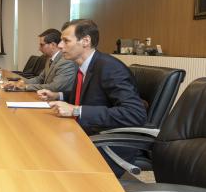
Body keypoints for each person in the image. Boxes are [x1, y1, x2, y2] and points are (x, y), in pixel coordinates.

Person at [37, 19, 147, 175]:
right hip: (84, 133)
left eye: (66, 41)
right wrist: (58, 95)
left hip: (105, 143)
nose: (60, 45)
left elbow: (135, 113)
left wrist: (77, 110)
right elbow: (88, 97)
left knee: (43, 157)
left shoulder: (110, 68)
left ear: (85, 41)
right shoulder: (85, 66)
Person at [4, 28, 77, 92]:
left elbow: (54, 87)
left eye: (42, 45)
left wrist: (25, 86)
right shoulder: (50, 59)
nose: (39, 49)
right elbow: (39, 79)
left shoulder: (66, 62)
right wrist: (21, 82)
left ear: (53, 45)